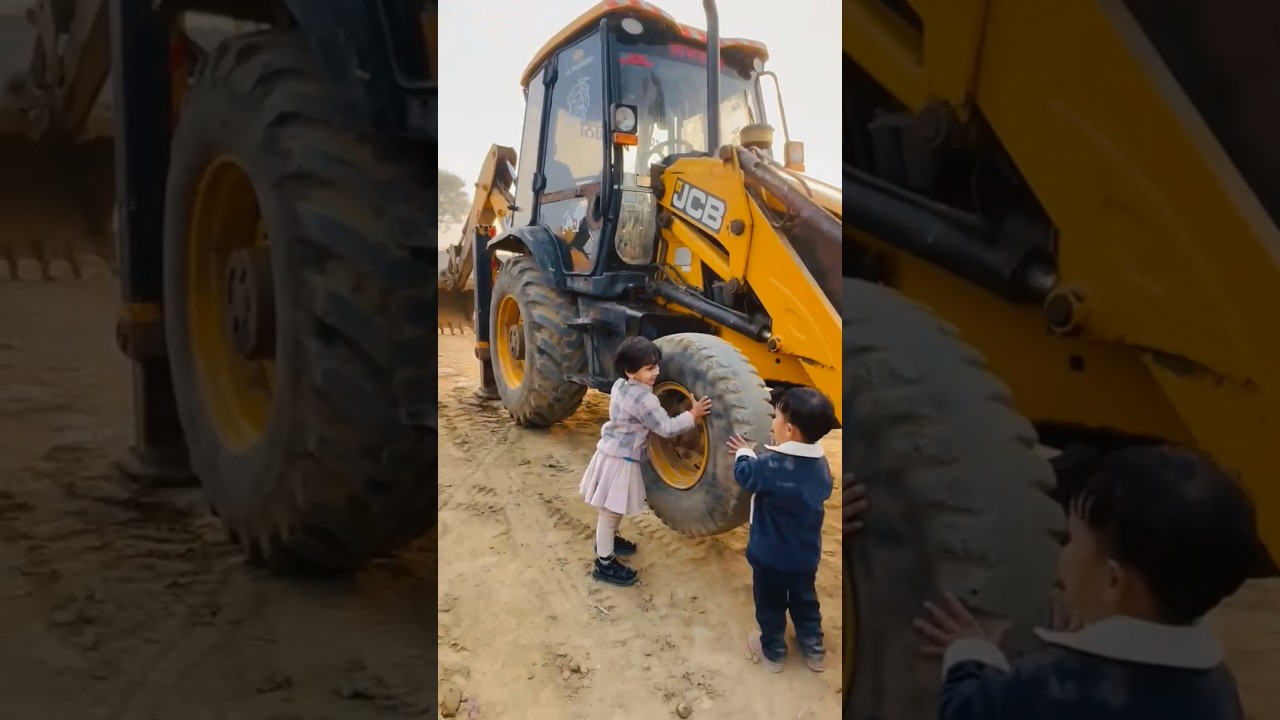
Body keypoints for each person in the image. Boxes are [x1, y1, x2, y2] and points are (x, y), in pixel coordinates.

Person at [914, 445, 1258, 720]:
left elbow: (966, 710)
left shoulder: (1050, 685)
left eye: (1074, 539)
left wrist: (970, 652)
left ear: (1112, 580)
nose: (1065, 551)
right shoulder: (1218, 687)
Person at [579, 336, 711, 587]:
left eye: (656, 366)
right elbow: (666, 427)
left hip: (612, 452)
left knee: (612, 508)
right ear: (631, 371)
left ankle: (609, 541)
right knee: (609, 513)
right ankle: (603, 563)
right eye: (649, 368)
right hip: (620, 460)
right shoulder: (644, 400)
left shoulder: (620, 385)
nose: (656, 372)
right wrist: (693, 415)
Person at [726, 387, 838, 673]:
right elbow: (800, 476)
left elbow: (745, 475)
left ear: (788, 429)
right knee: (805, 600)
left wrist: (743, 453)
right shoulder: (821, 466)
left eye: (776, 415)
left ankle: (773, 651)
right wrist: (783, 446)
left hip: (770, 557)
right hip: (805, 555)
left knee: (770, 605)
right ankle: (813, 648)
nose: (772, 420)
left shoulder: (770, 465)